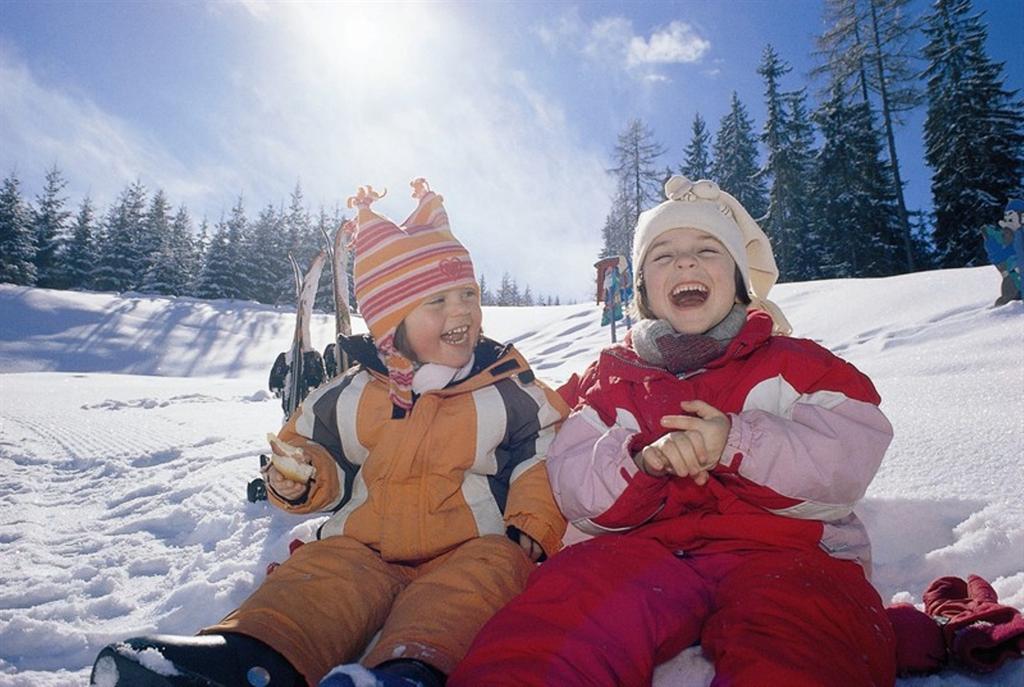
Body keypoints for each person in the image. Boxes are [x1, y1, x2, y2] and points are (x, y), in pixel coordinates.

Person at [91, 179, 568, 687]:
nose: (461, 312)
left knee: (474, 587)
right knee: (318, 580)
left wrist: (531, 522)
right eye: (437, 301)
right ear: (391, 324)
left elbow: (543, 448)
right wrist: (300, 477)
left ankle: (410, 671)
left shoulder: (506, 386)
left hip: (470, 540)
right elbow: (313, 448)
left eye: (468, 294)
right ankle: (248, 657)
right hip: (365, 542)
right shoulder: (354, 391)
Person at [450, 176, 898, 687]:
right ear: (642, 291)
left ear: (737, 280)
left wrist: (735, 441)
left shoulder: (795, 363)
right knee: (563, 611)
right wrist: (641, 463)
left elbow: (848, 457)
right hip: (641, 552)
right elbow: (575, 485)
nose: (685, 262)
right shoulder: (613, 377)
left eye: (707, 250)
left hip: (787, 552)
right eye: (662, 256)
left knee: (807, 633)